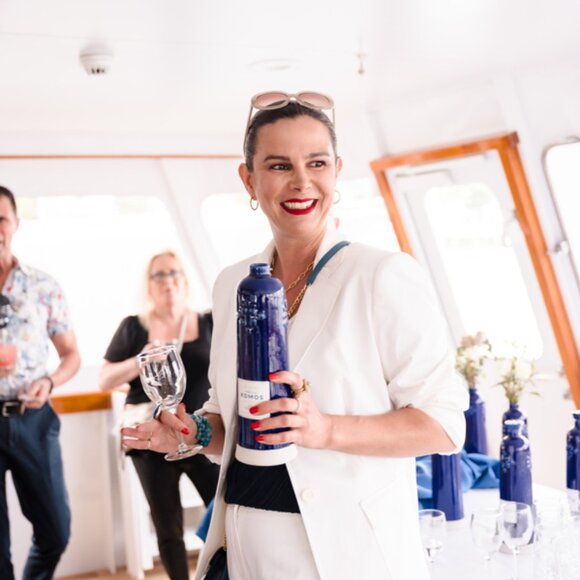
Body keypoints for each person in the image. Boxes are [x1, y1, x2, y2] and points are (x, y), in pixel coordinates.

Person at [122, 93, 468, 579]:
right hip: (241, 549)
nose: (301, 181)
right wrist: (192, 433)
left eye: (317, 163)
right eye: (279, 165)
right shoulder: (231, 283)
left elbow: (444, 425)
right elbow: (232, 420)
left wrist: (326, 429)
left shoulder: (383, 275)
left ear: (337, 172)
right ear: (249, 180)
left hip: (342, 558)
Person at [99, 250, 219, 580]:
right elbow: (104, 380)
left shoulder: (209, 321)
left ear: (185, 280)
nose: (168, 281)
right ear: (149, 285)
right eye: (159, 275)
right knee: (167, 527)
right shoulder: (133, 327)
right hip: (150, 440)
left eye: (174, 273)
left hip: (201, 433)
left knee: (222, 511)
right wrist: (138, 360)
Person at [0, 185, 81, 580]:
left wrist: (48, 383)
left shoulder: (43, 286)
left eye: (1, 219)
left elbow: (71, 355)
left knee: (56, 531)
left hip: (33, 418)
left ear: (15, 223)